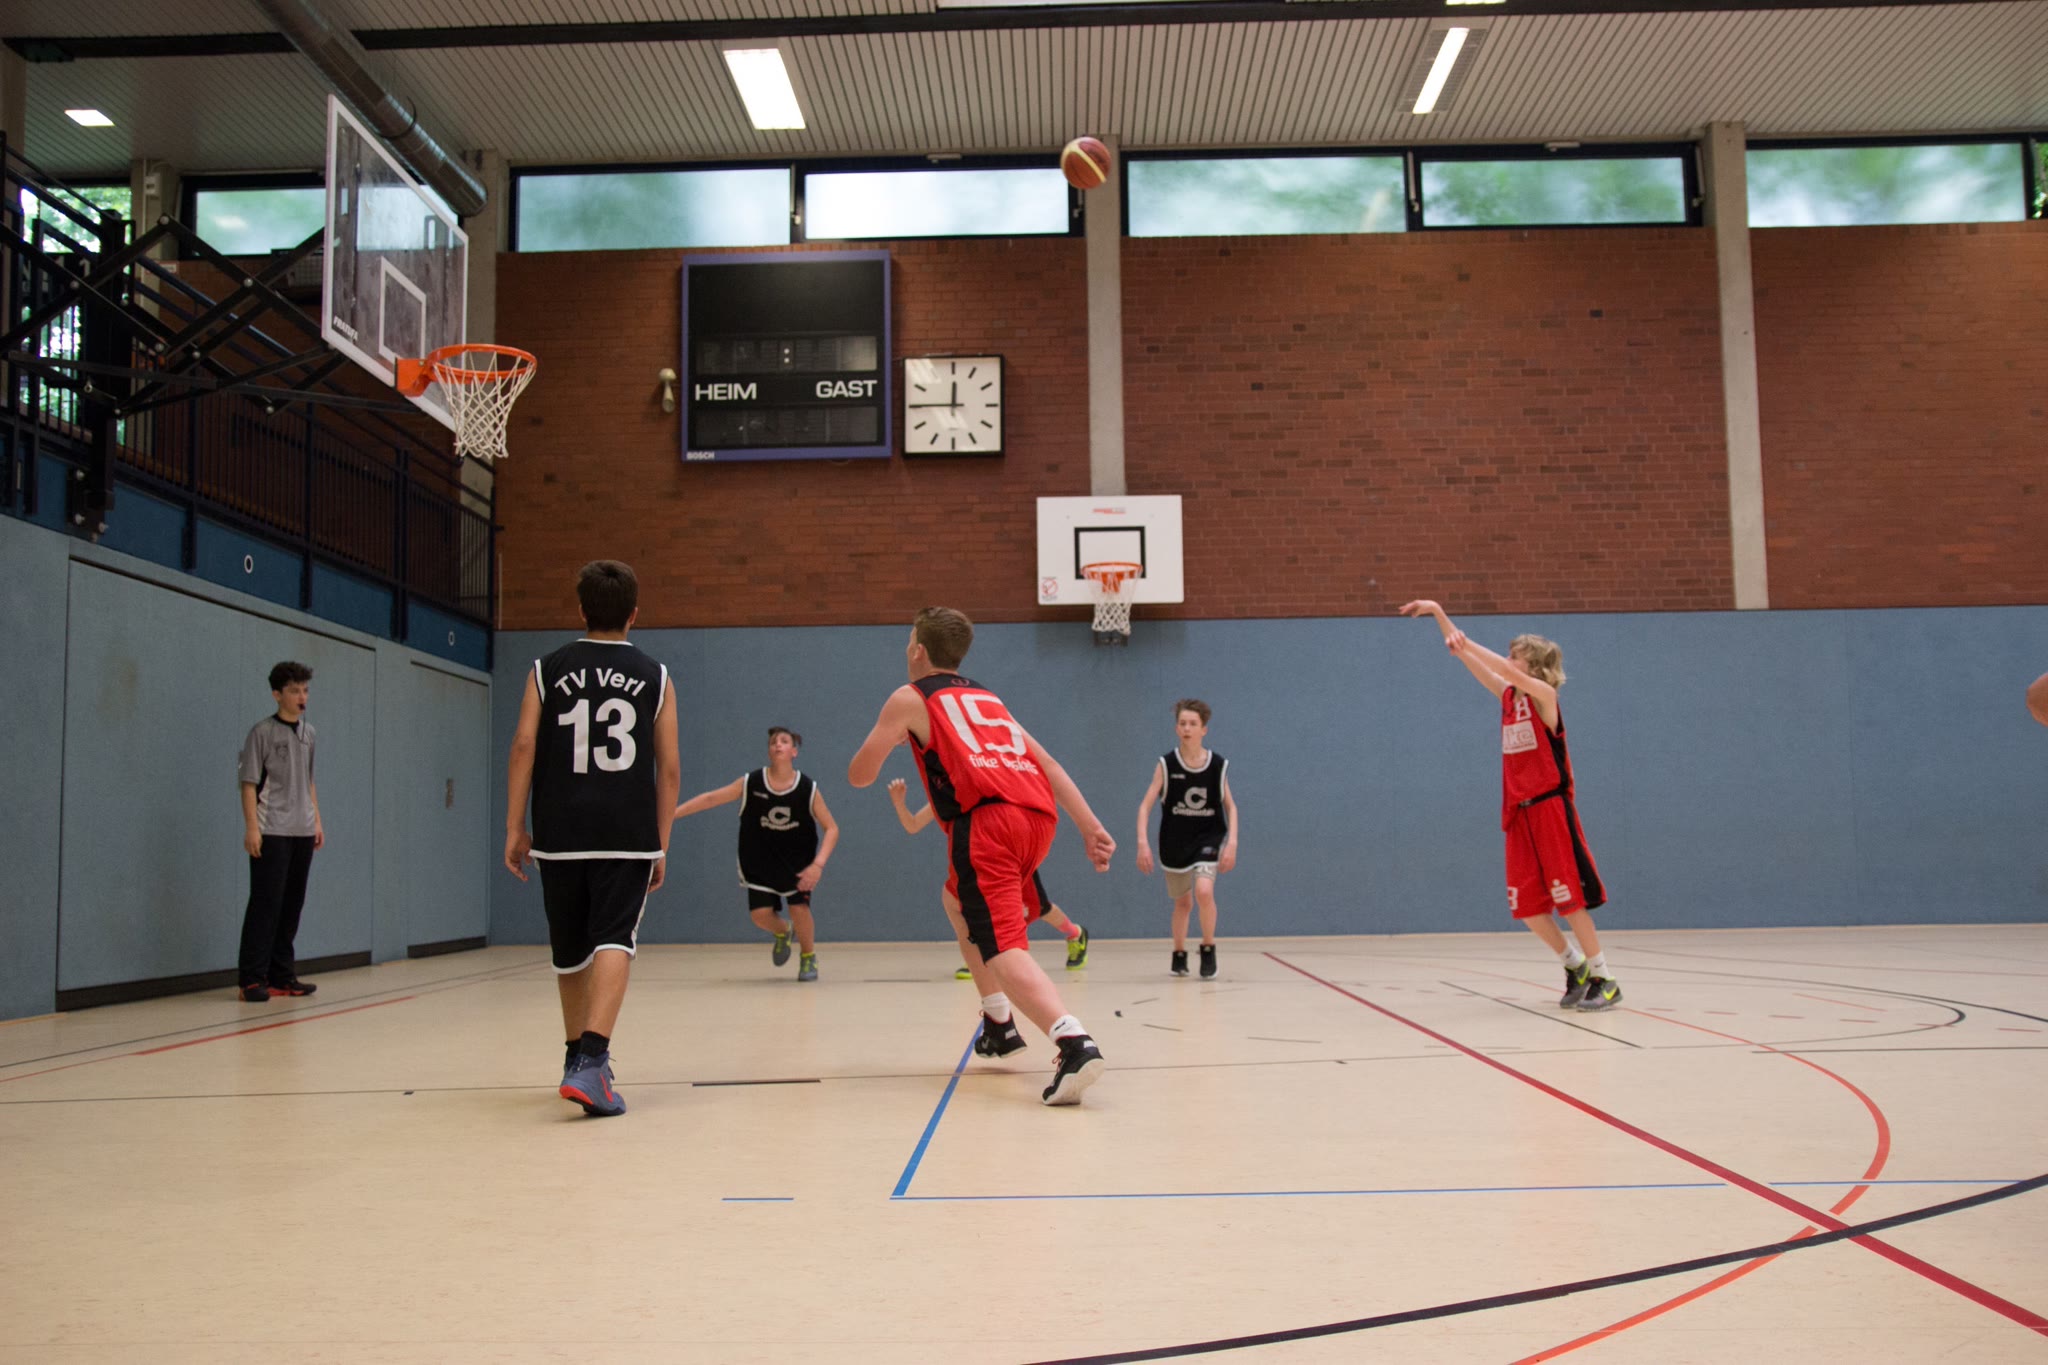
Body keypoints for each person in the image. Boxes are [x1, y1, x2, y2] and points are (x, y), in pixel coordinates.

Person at [848, 606, 1115, 1105]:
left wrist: (887, 739)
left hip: (989, 824)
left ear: (918, 651)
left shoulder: (909, 697)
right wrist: (1090, 825)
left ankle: (1073, 1042)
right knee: (955, 900)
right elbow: (1047, 762)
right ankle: (998, 1021)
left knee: (1003, 946)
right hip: (1038, 817)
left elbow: (859, 775)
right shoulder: (986, 697)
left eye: (908, 640)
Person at [505, 560, 681, 1117]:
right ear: (634, 614)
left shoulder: (545, 669)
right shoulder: (655, 675)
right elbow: (669, 769)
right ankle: (592, 1060)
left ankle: (574, 1059)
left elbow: (524, 746)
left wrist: (514, 826)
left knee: (569, 951)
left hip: (560, 828)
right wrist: (661, 840)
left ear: (581, 609)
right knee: (614, 939)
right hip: (626, 830)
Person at [1399, 599, 1620, 1011]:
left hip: (1551, 809)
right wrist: (1440, 616)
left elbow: (1498, 666)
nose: (1508, 660)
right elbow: (1467, 656)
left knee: (1570, 901)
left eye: (1515, 656)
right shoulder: (1507, 697)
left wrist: (1464, 639)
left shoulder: (1545, 697)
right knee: (1527, 907)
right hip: (1519, 811)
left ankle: (1605, 978)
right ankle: (1574, 966)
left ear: (1533, 666)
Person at [674, 727, 840, 982]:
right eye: (773, 742)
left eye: (784, 741)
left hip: (798, 862)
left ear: (794, 752)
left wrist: (818, 865)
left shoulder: (808, 788)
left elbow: (832, 828)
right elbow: (710, 799)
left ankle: (808, 956)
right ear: (769, 751)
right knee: (760, 915)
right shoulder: (751, 782)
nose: (778, 745)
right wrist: (673, 814)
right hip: (760, 861)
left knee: (799, 908)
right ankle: (783, 931)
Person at [888, 777, 1089, 980]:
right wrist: (899, 803)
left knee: (1039, 908)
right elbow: (913, 825)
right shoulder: (945, 793)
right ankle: (981, 955)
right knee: (966, 904)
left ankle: (1074, 933)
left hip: (1008, 857)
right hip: (974, 861)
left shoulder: (991, 781)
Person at [235, 661, 324, 1002]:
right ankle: (251, 979)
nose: (302, 697)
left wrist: (317, 821)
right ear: (277, 694)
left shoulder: (309, 734)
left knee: (291, 906)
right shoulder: (262, 733)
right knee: (265, 904)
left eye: (305, 690)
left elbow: (309, 781)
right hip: (271, 829)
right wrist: (252, 828)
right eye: (294, 691)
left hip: (302, 830)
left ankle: (282, 976)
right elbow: (248, 784)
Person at [1135, 699, 1238, 979]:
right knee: (1183, 903)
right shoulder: (1166, 765)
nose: (1187, 728)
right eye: (1182, 723)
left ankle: (1208, 947)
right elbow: (1144, 806)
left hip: (1208, 837)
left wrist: (1232, 842)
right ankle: (1179, 953)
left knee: (1204, 891)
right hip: (1175, 841)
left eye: (1193, 724)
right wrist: (1142, 843)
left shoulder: (1217, 765)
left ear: (1204, 729)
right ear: (1176, 728)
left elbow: (1231, 806)